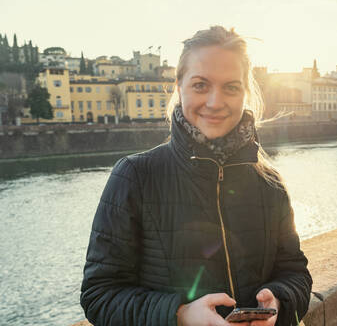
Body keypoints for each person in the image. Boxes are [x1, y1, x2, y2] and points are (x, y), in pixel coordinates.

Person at [80, 25, 312, 326]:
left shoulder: (270, 184)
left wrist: (279, 300)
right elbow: (99, 296)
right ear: (179, 87)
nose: (215, 102)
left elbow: (296, 274)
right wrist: (180, 316)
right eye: (201, 85)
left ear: (245, 92)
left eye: (231, 87)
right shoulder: (135, 177)